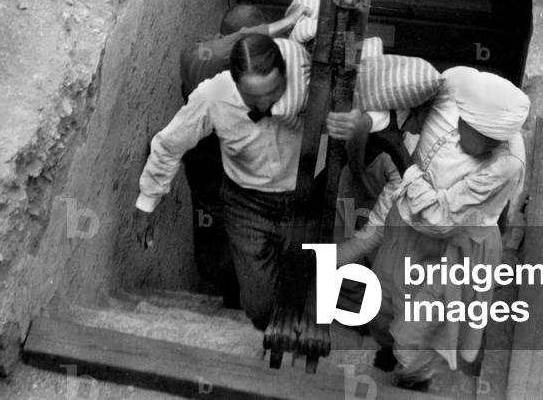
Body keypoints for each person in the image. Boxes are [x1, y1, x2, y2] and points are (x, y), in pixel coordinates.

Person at [134, 33, 369, 330]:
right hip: (247, 206)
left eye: (272, 91)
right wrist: (147, 202)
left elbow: (361, 119)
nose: (265, 103)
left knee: (318, 292)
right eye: (252, 96)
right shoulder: (214, 97)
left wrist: (355, 123)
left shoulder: (312, 88)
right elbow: (170, 145)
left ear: (285, 76)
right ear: (234, 83)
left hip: (307, 197)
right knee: (259, 306)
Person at [337, 67, 530, 392]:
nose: (469, 139)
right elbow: (394, 96)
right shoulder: (453, 85)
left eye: (488, 141)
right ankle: (390, 347)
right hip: (407, 227)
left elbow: (440, 220)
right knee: (383, 307)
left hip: (456, 246)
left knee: (420, 332)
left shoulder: (506, 164)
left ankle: (415, 379)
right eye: (467, 127)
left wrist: (399, 152)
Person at [178, 4, 308, 307]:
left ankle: (233, 289)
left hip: (204, 160)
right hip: (220, 168)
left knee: (219, 232)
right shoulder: (217, 69)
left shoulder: (200, 57)